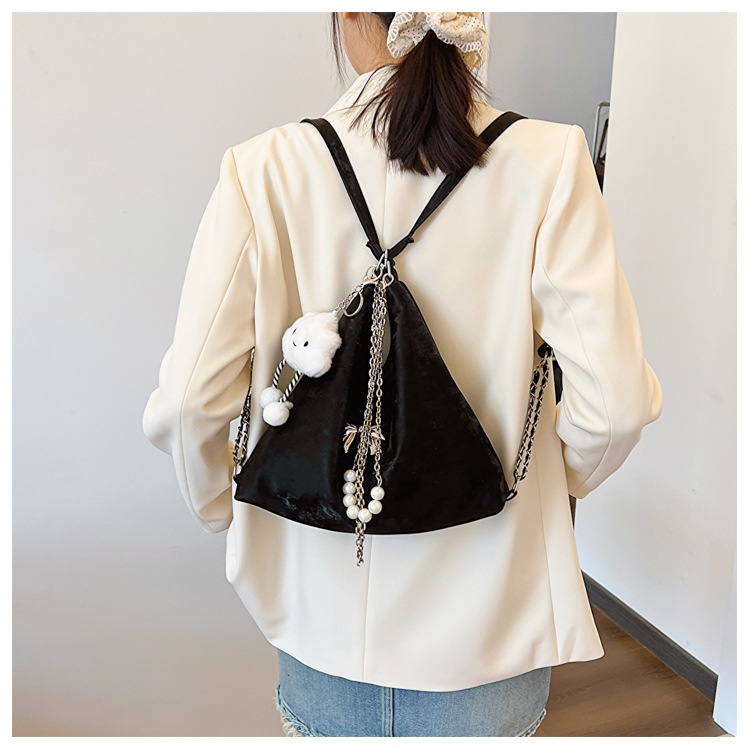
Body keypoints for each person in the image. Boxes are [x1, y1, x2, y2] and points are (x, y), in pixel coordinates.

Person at [142, 12, 662, 737]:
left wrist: (216, 508)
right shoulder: (549, 161)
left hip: (316, 605)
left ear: (349, 14)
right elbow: (615, 407)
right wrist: (553, 482)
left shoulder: (263, 168)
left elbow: (192, 401)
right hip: (490, 615)